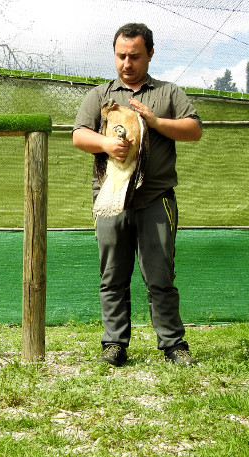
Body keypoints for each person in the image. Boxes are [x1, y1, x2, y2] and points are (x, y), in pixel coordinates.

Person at [72, 23, 203, 366]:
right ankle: (114, 345)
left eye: (134, 56)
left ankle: (173, 345)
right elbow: (78, 136)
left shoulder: (169, 93)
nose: (126, 63)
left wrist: (156, 121)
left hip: (155, 199)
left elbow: (194, 130)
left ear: (150, 55)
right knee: (112, 276)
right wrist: (105, 144)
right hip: (110, 198)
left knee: (160, 277)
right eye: (121, 56)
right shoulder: (100, 96)